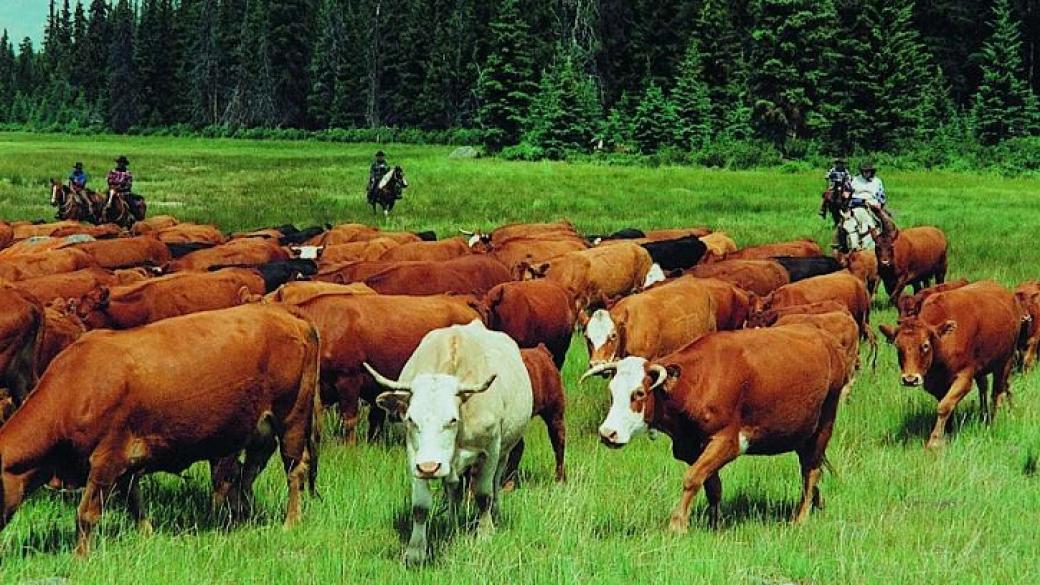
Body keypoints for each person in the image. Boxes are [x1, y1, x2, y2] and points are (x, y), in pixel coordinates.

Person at [844, 162, 887, 250]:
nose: (866, 173)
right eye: (864, 171)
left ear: (872, 172)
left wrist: (879, 203)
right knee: (843, 223)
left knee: (885, 220)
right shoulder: (855, 180)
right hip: (855, 204)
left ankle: (885, 241)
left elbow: (881, 196)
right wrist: (846, 194)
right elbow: (847, 191)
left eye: (868, 171)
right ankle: (838, 244)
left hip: (872, 204)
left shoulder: (877, 181)